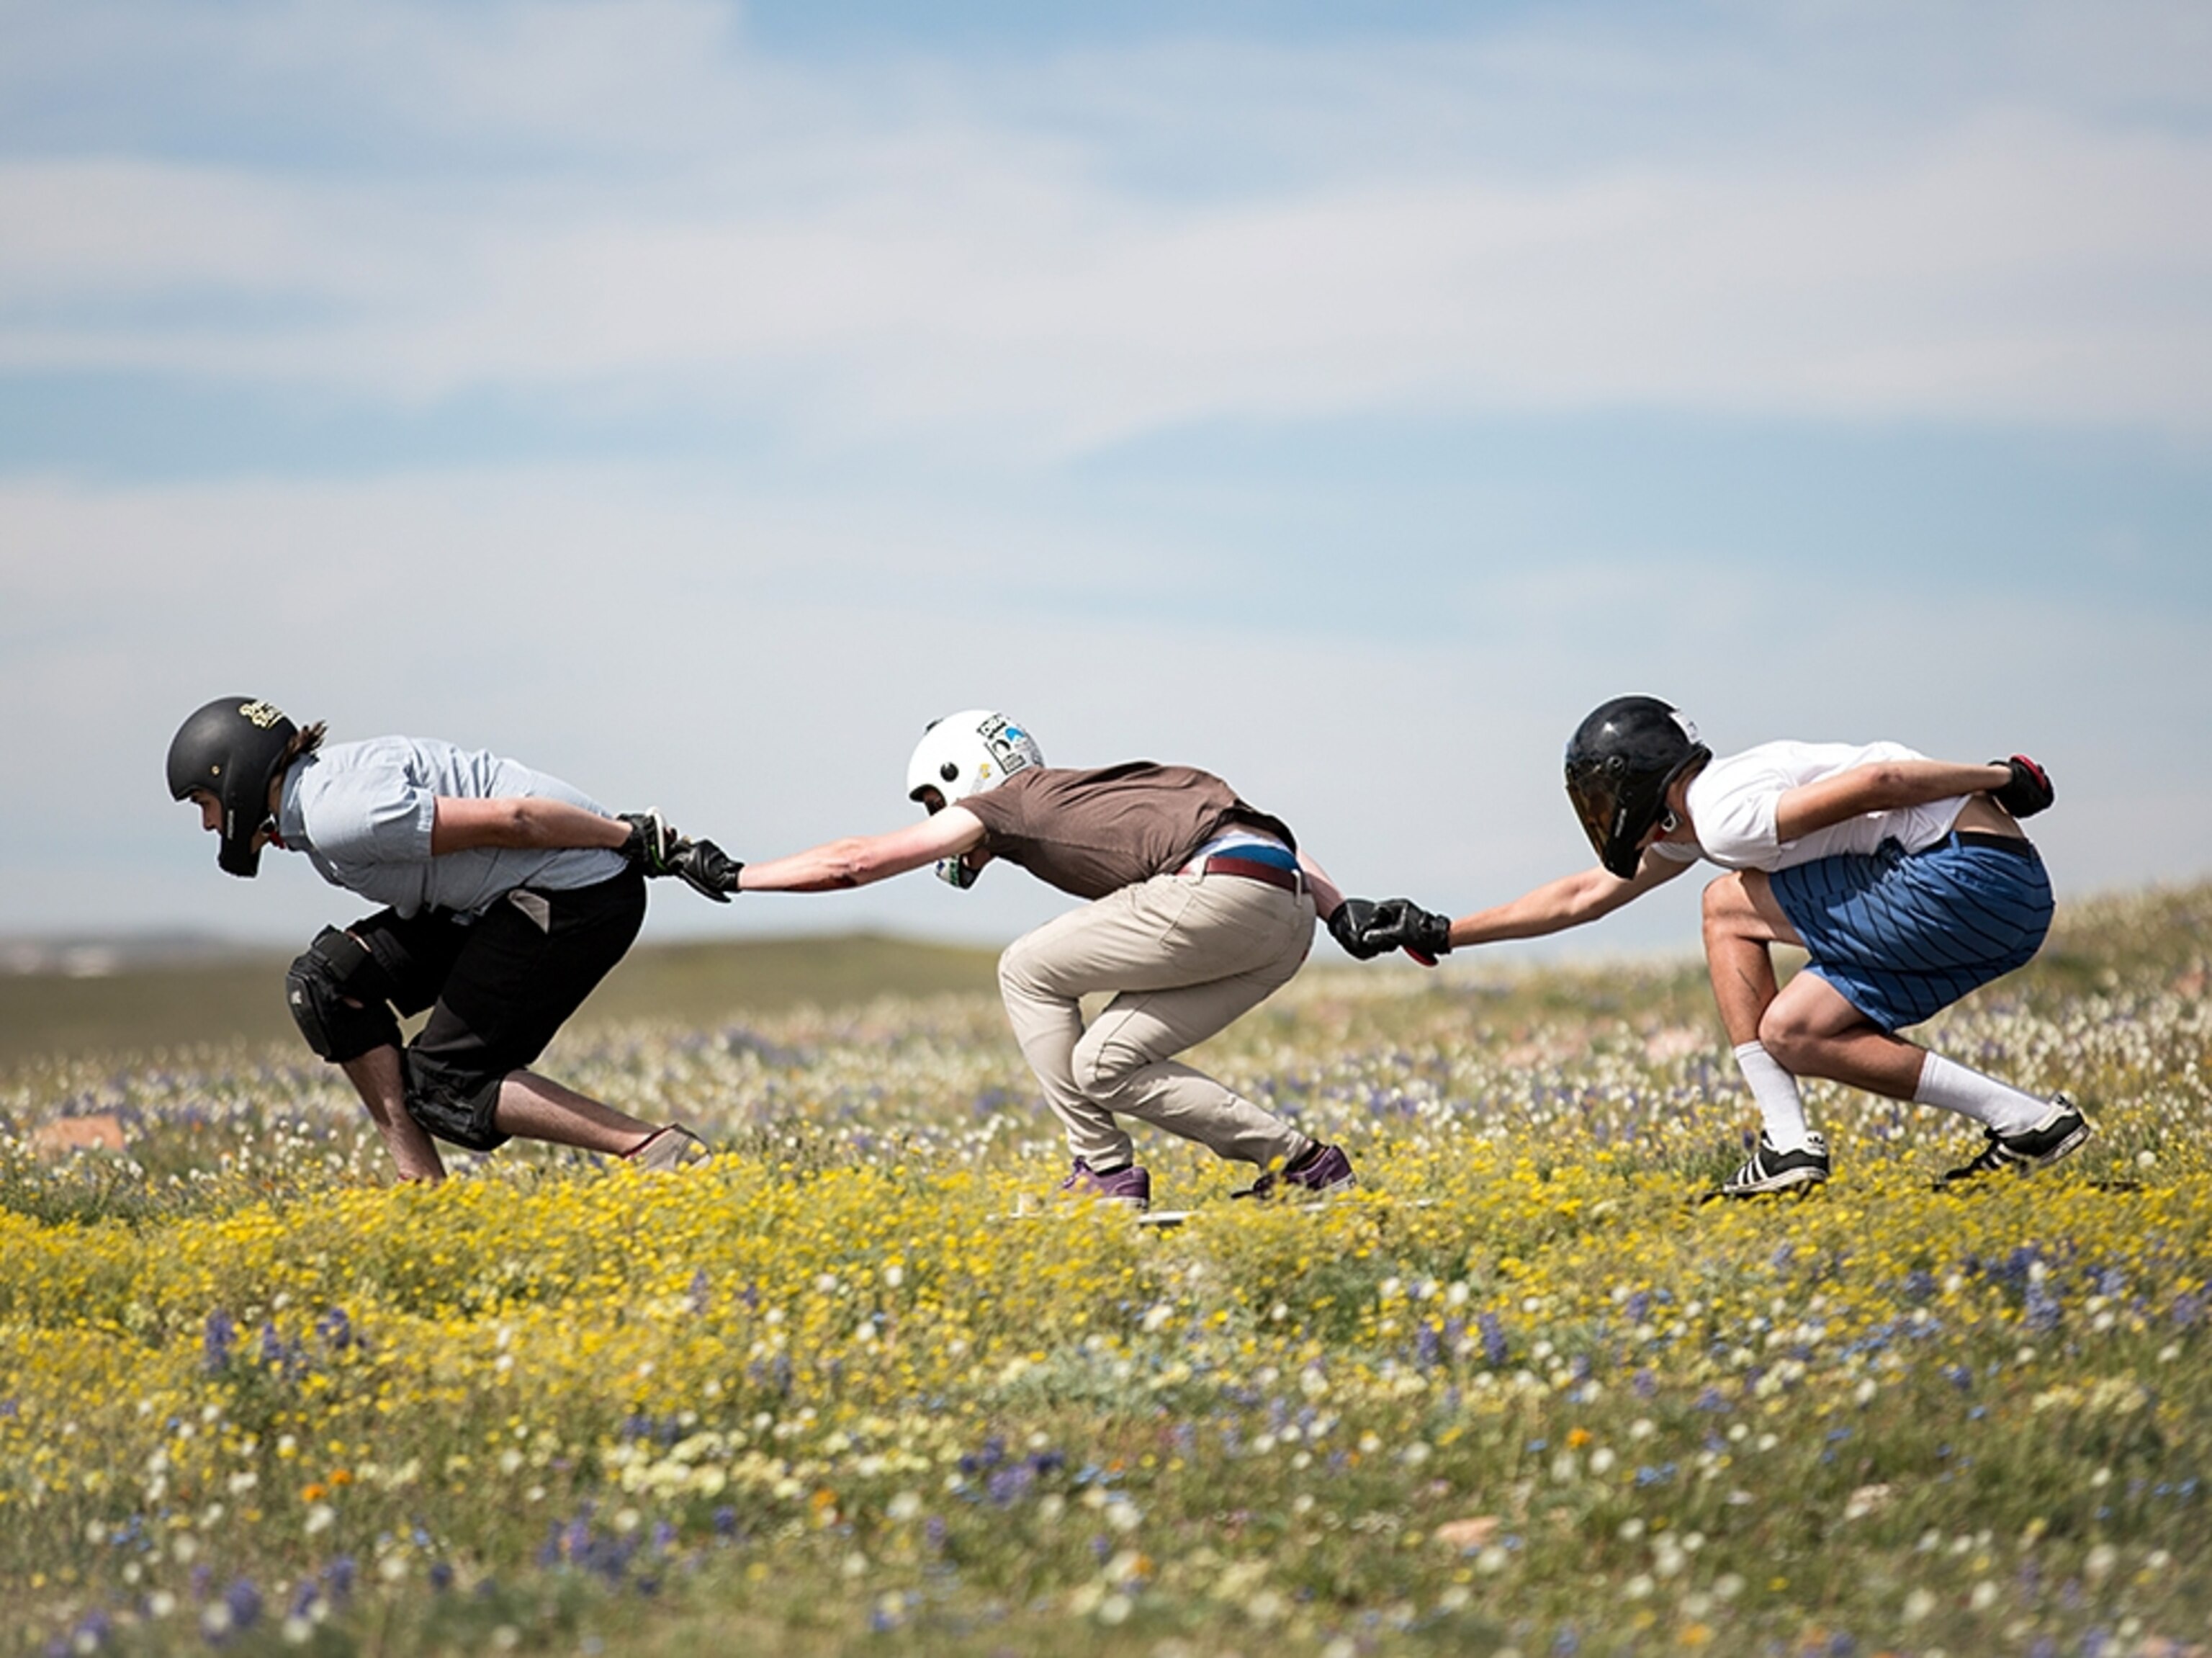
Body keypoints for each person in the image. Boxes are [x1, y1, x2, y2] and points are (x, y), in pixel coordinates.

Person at [1357, 695, 2087, 1196]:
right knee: (1796, 1033)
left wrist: (2004, 776)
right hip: (2006, 905)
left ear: (1636, 783)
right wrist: (1440, 930)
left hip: (1965, 875)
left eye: (1601, 797)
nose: (1600, 815)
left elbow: (1881, 781)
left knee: (1724, 904)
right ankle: (2028, 1122)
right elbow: (1583, 896)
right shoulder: (1697, 818)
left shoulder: (1725, 811)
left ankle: (1787, 1144)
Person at [711, 710, 1398, 1209]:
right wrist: (1341, 911)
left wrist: (737, 875)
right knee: (1103, 1064)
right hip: (1288, 915)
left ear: (964, 776)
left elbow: (854, 863)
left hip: (1213, 887)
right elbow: (1271, 835)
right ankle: (1306, 1165)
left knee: (1024, 967)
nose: (934, 823)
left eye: (930, 802)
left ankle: (1101, 1171)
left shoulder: (1005, 800)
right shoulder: (1118, 785)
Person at [166, 696, 734, 1184]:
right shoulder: (320, 798)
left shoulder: (342, 813)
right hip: (496, 897)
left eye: (203, 803)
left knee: (445, 1087)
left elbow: (514, 821)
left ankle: (655, 1148)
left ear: (233, 779)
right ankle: (423, 1191)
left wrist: (629, 838)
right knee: (327, 983)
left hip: (574, 899)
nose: (209, 825)